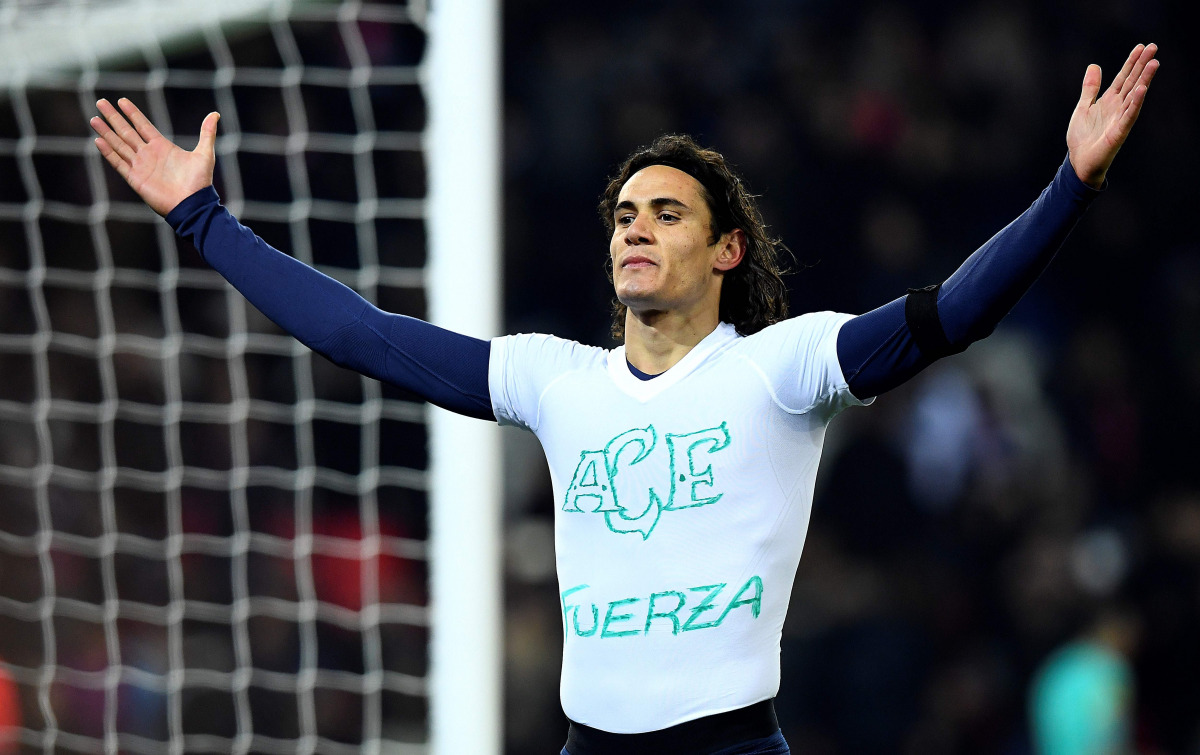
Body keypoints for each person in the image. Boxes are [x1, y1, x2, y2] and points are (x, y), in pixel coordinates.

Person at [90, 43, 1159, 755]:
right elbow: (362, 336)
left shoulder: (778, 368)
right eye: (623, 215)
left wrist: (1068, 187)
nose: (635, 228)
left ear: (727, 247)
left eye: (667, 213)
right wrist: (203, 222)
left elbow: (949, 315)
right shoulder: (558, 383)